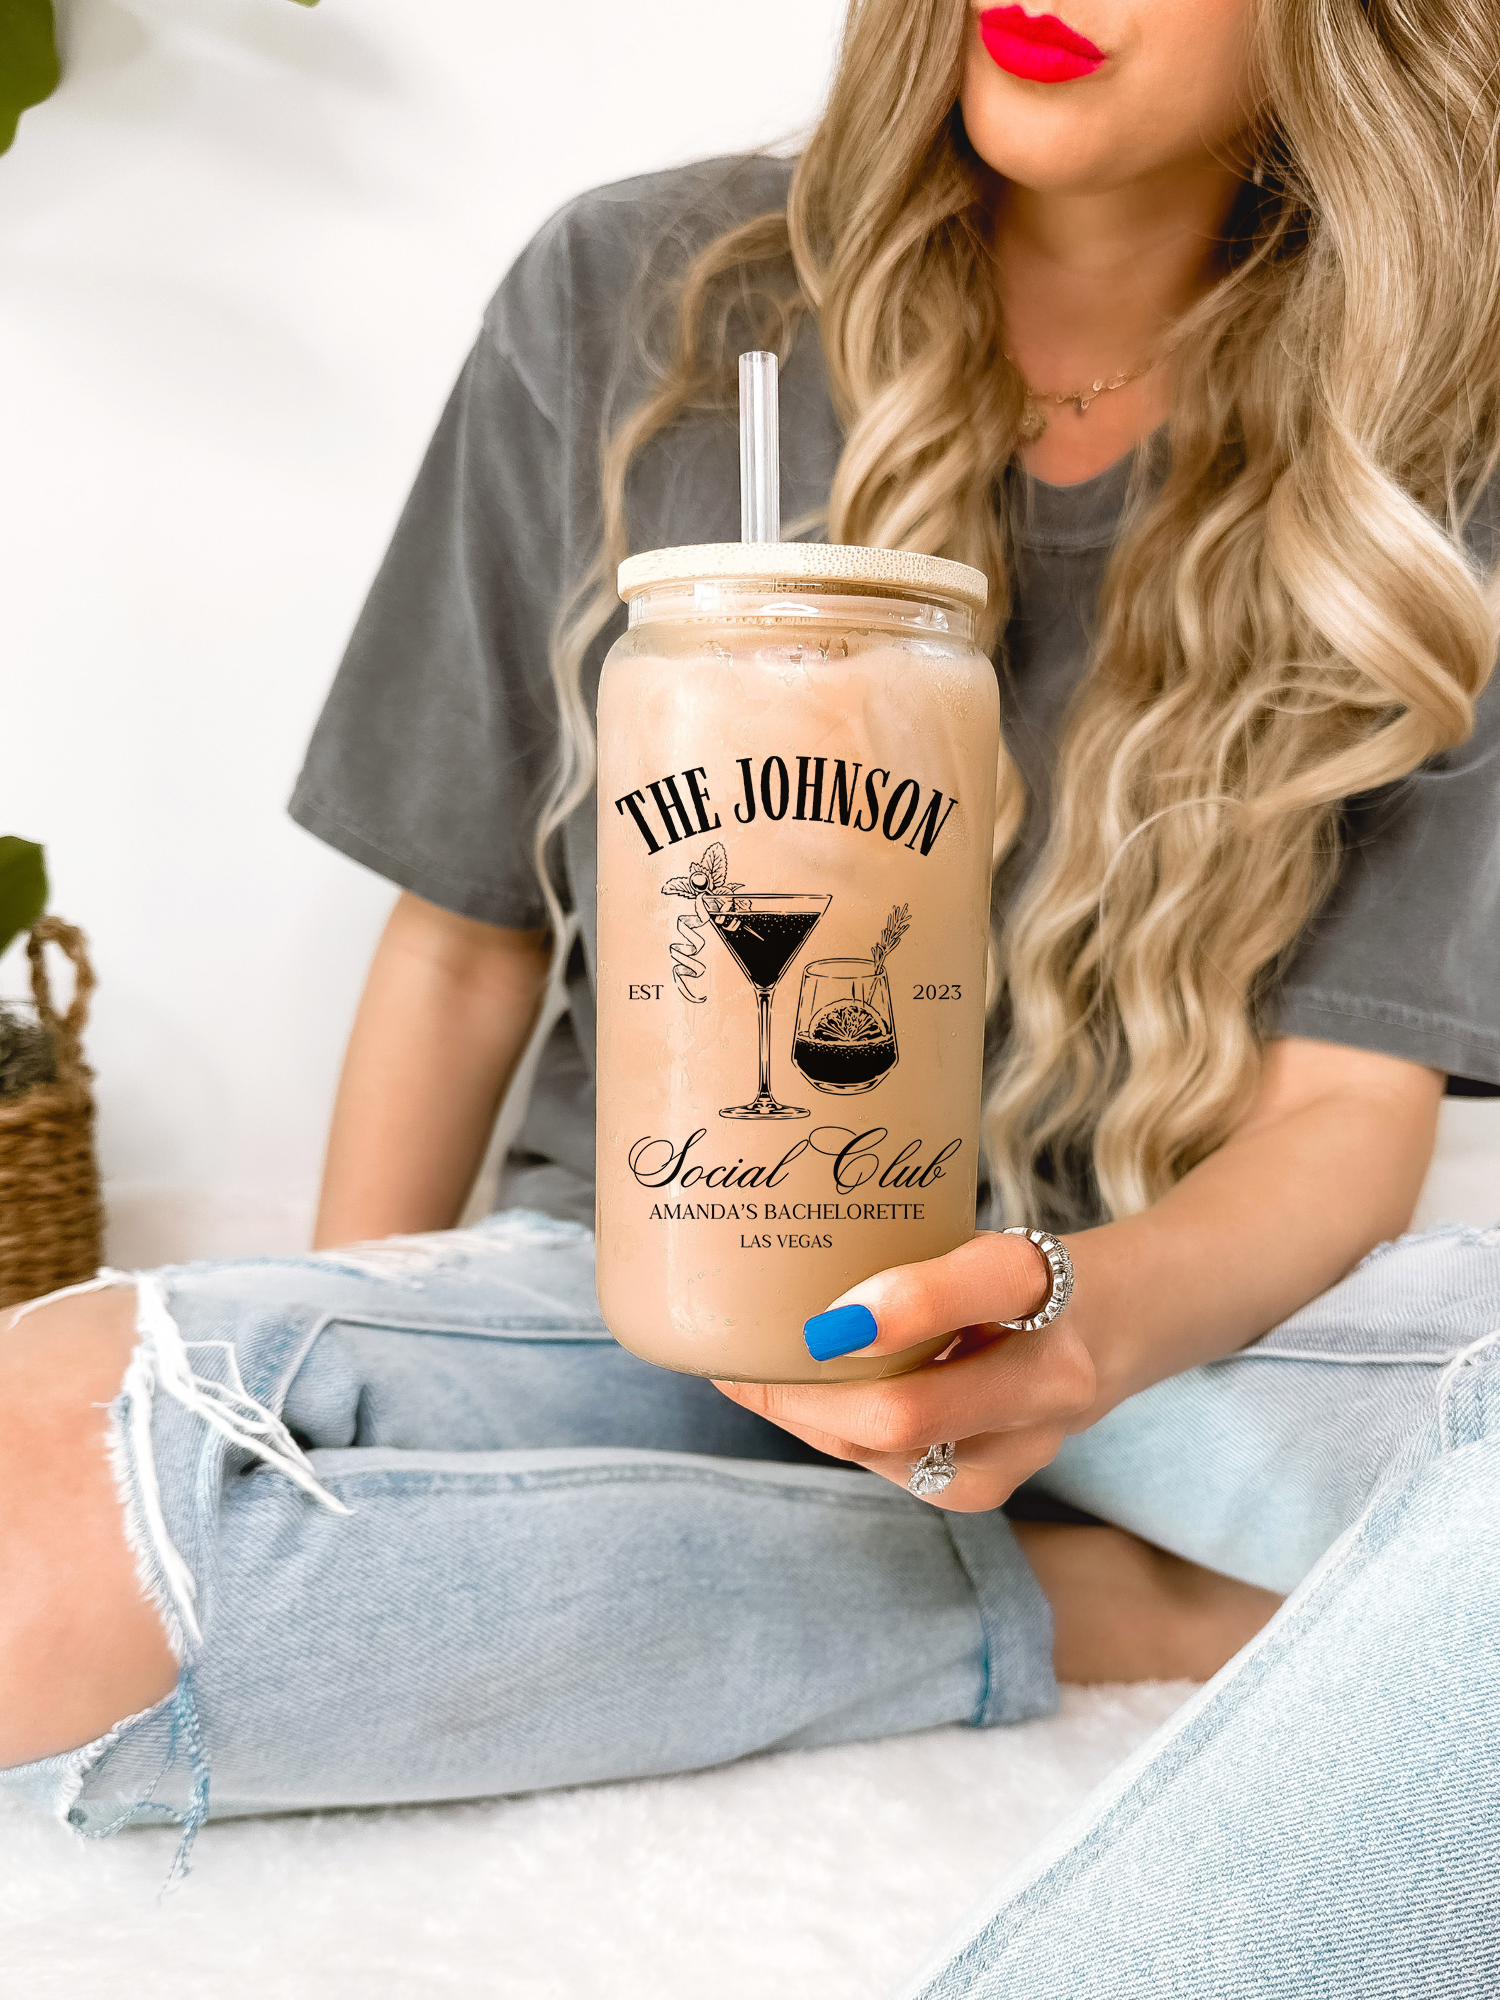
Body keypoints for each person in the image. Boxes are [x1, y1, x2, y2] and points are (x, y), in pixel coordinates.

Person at [4, 0, 1498, 1987]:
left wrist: (1071, 1340)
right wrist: (364, 1354)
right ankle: (1096, 1609)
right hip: (650, 1275)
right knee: (27, 1518)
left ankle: (1075, 1558)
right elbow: (461, 949)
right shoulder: (635, 297)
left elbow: (1344, 1114)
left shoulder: (1435, 434)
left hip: (1164, 1324)